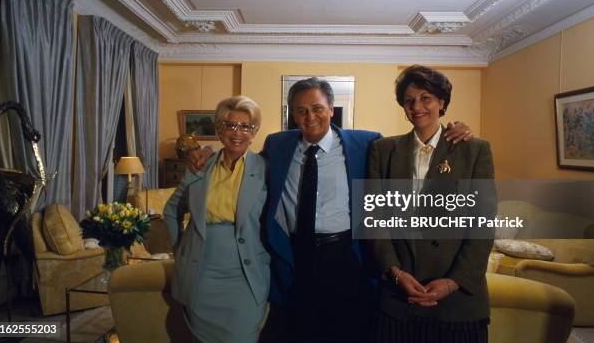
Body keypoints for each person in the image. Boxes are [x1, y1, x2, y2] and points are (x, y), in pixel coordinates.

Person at [189, 77, 472, 343]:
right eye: (301, 110)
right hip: (293, 255)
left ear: (331, 109)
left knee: (349, 332)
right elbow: (244, 164)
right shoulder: (278, 144)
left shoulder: (367, 142)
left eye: (317, 108)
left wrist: (451, 131)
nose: (310, 117)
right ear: (292, 113)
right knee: (297, 331)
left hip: (346, 256)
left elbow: (412, 149)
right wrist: (208, 154)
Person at [367, 65, 495, 343]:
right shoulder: (383, 150)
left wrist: (453, 282)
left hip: (457, 299)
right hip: (399, 295)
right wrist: (396, 273)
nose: (417, 106)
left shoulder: (474, 150)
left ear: (442, 102)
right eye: (409, 100)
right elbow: (374, 220)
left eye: (426, 98)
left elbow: (482, 224)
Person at [164, 96, 269, 343]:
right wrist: (181, 251)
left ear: (254, 133)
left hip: (246, 276)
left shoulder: (266, 168)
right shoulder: (201, 165)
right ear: (219, 129)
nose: (237, 133)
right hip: (201, 276)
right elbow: (171, 211)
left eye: (246, 127)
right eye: (230, 125)